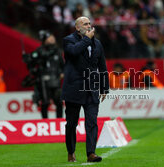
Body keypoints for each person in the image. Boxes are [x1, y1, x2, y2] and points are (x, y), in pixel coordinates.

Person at [61, 16, 109, 163]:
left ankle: (91, 153)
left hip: (92, 88)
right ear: (77, 27)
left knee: (92, 122)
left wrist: (104, 88)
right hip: (74, 89)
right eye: (84, 24)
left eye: (89, 23)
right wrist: (87, 39)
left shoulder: (98, 44)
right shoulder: (68, 40)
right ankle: (71, 151)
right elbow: (74, 52)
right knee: (71, 124)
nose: (88, 26)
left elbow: (102, 67)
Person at [22, 30, 64, 119]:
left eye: (53, 37)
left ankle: (59, 121)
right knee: (45, 102)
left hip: (55, 80)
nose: (52, 39)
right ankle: (45, 121)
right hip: (43, 81)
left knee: (59, 101)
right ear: (44, 40)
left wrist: (63, 73)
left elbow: (62, 64)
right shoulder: (39, 51)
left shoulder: (57, 51)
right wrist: (28, 60)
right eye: (50, 37)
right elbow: (31, 62)